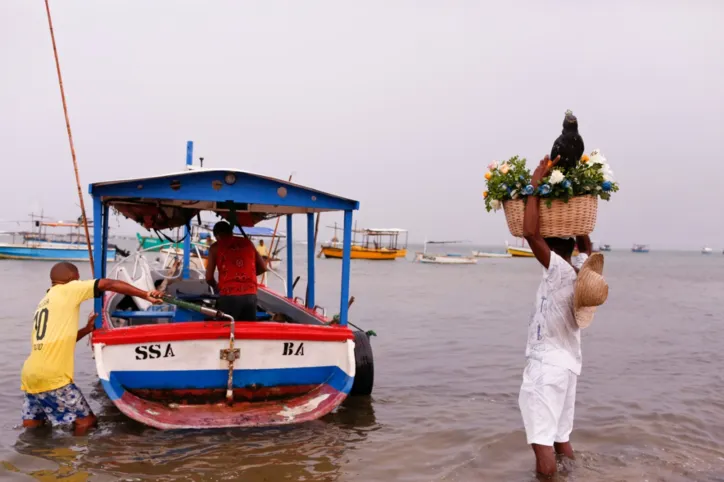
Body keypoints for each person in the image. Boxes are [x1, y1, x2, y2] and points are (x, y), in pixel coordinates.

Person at [21, 262, 164, 435]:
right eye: (78, 277)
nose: (80, 280)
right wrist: (145, 294)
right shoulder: (69, 288)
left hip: (30, 375)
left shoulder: (44, 300)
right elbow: (107, 284)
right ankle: (75, 460)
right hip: (53, 375)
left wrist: (86, 330)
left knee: (34, 425)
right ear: (71, 277)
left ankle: (30, 456)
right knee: (87, 422)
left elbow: (59, 340)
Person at [519, 155, 592, 476]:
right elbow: (586, 243)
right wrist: (576, 208)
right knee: (561, 437)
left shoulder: (560, 271)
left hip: (547, 367)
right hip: (568, 368)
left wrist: (535, 184)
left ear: (552, 248)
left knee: (542, 441)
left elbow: (530, 233)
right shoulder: (582, 270)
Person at [205, 221, 267, 321]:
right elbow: (263, 267)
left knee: (226, 330)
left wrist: (216, 287)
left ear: (217, 236)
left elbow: (209, 278)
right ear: (231, 232)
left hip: (229, 296)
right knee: (247, 331)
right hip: (251, 295)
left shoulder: (215, 247)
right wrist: (246, 277)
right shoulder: (248, 242)